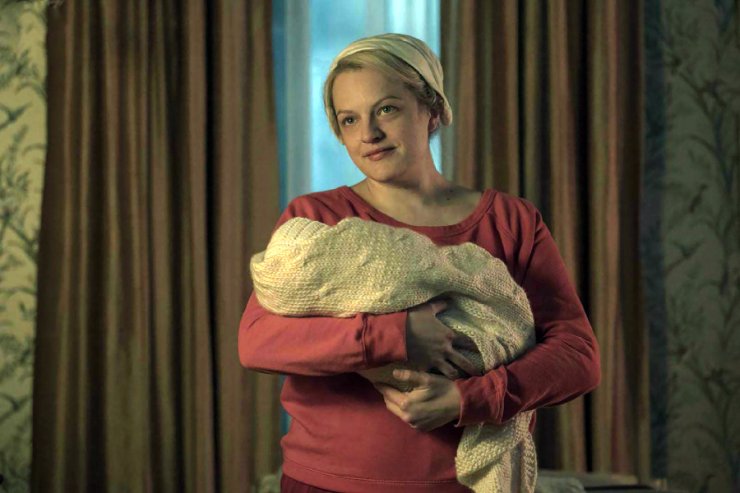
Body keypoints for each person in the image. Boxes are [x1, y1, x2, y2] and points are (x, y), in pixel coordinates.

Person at [238, 33, 601, 493]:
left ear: (432, 109)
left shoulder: (511, 222)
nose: (368, 134)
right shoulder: (315, 220)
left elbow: (577, 355)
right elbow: (258, 342)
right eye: (349, 119)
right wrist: (398, 335)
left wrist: (466, 399)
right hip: (326, 484)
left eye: (386, 109)